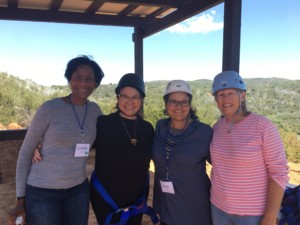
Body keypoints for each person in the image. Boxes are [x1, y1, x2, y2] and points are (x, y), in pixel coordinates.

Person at [8, 55, 104, 225]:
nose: (83, 84)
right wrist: (20, 199)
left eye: (89, 79)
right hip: (42, 192)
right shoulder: (50, 108)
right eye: (77, 78)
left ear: (96, 83)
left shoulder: (95, 111)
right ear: (69, 80)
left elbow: (100, 141)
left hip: (78, 190)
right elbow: (25, 152)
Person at [210, 70, 290, 225]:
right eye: (220, 94)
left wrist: (270, 216)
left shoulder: (262, 126)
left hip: (253, 214)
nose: (225, 98)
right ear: (216, 99)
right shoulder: (217, 128)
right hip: (218, 208)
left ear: (243, 95)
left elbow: (278, 172)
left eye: (231, 92)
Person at [90, 73, 158, 225]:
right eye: (124, 96)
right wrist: (41, 143)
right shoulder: (103, 124)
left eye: (135, 97)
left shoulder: (147, 129)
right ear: (118, 98)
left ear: (141, 100)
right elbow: (78, 142)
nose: (129, 102)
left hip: (137, 201)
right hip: (105, 200)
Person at [152, 80, 213, 225]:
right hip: (166, 207)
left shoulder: (204, 132)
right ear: (166, 104)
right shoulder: (160, 126)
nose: (179, 107)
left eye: (184, 102)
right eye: (173, 101)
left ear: (190, 105)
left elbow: (222, 166)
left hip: (194, 211)